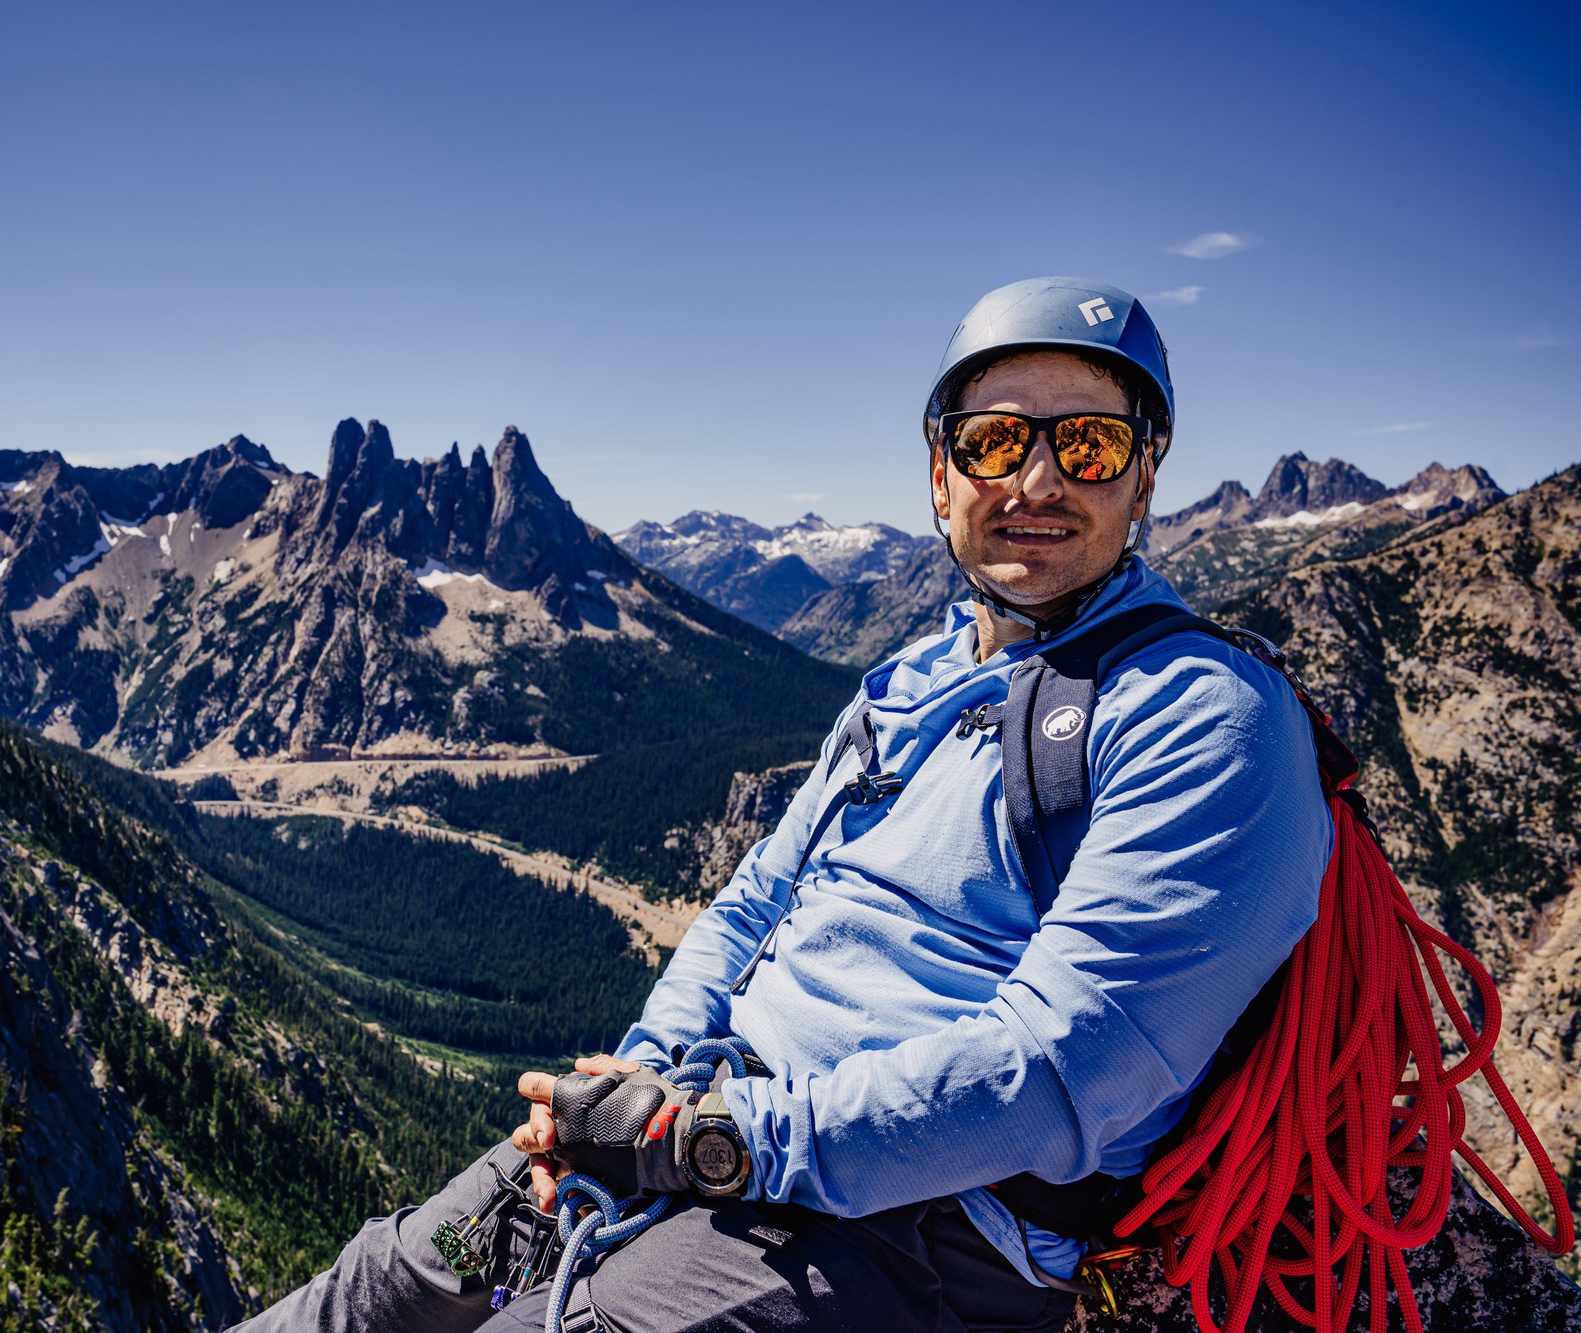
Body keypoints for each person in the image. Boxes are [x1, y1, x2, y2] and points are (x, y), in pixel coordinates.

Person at [238, 277, 1332, 1332]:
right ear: (939, 475)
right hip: (717, 1124)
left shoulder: (1204, 713)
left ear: (1143, 476)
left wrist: (714, 1140)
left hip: (918, 1223)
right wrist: (649, 1077)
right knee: (392, 1283)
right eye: (993, 440)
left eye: (1085, 443)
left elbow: (1062, 1065)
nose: (1036, 481)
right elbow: (756, 899)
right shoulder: (905, 683)